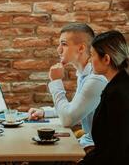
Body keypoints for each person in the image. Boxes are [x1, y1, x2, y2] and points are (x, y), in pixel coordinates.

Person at [28, 23, 107, 150]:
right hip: (87, 141)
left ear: (81, 48)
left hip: (97, 148)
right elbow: (74, 108)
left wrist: (56, 82)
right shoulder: (84, 74)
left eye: (64, 44)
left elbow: (68, 119)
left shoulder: (95, 79)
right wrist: (45, 112)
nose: (58, 50)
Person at [80, 30, 129, 164]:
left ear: (106, 59)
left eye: (92, 55)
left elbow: (116, 150)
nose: (90, 60)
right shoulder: (118, 85)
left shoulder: (117, 93)